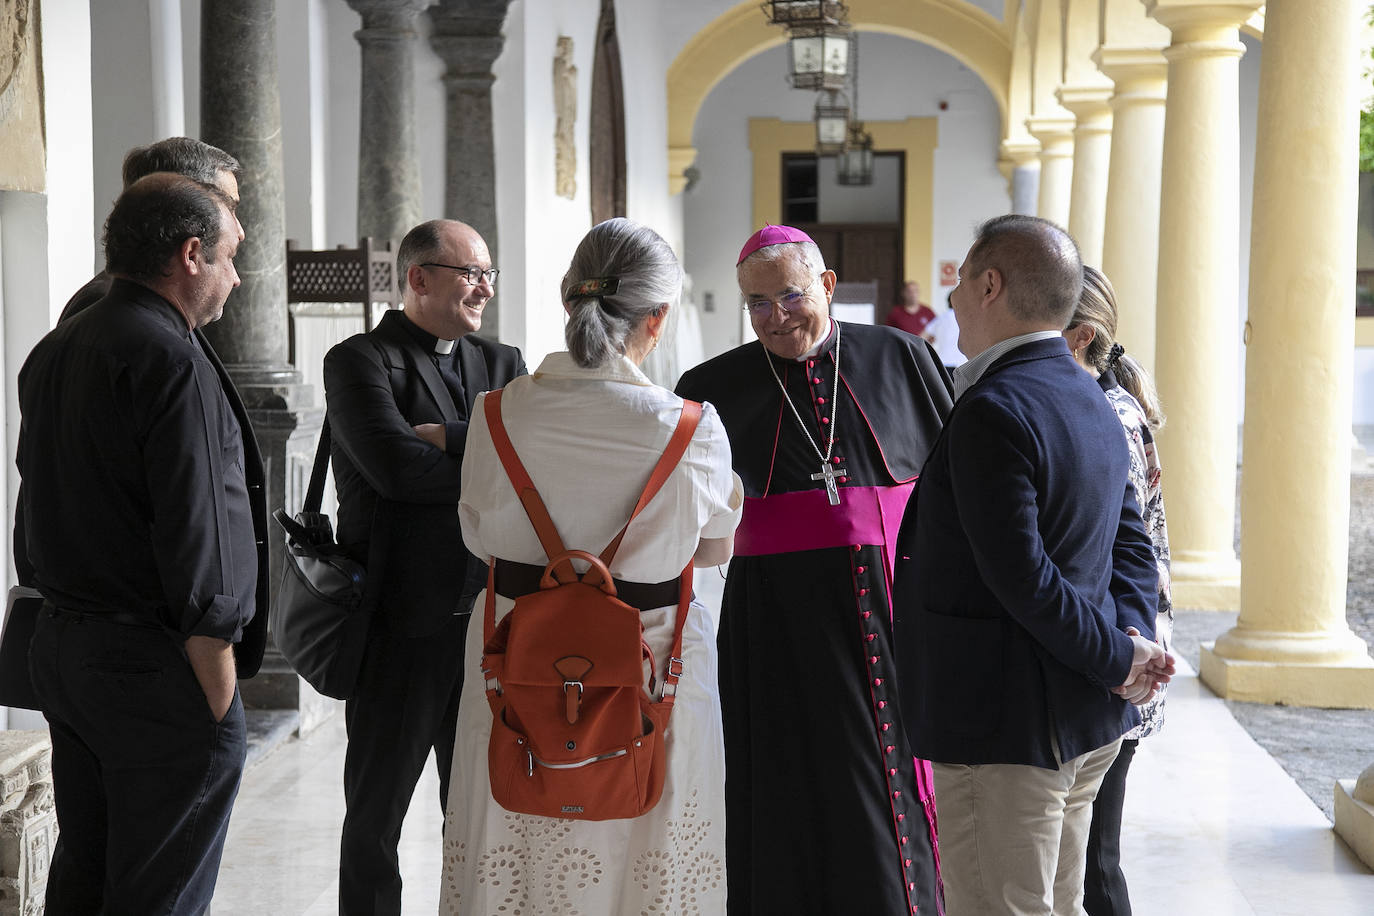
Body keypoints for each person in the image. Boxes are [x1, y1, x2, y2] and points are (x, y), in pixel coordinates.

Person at [440, 217, 743, 913]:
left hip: (515, 661)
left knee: (513, 836)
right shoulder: (693, 428)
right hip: (650, 670)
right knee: (652, 849)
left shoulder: (492, 416)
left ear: (566, 300)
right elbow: (716, 550)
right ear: (658, 319)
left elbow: (479, 537)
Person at [892, 214, 1173, 916]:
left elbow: (1022, 578)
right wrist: (1135, 646)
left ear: (992, 286)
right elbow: (1131, 544)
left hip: (1006, 726)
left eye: (960, 279)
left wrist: (1120, 657)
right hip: (1081, 716)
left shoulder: (995, 406)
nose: (950, 297)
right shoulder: (1091, 394)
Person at [675, 224, 953, 915]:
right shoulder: (712, 387)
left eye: (790, 296)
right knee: (781, 779)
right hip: (773, 624)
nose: (775, 317)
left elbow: (956, 482)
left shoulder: (901, 356)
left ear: (827, 287)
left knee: (879, 774)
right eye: (757, 305)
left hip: (885, 614)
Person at [18, 173, 255, 914]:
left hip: (67, 646)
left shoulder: (61, 343)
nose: (237, 277)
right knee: (160, 892)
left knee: (87, 875)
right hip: (154, 669)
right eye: (229, 256)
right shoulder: (172, 359)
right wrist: (217, 683)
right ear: (191, 255)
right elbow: (199, 532)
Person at [324, 218, 526, 915]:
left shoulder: (503, 365)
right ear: (418, 277)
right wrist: (489, 459)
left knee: (478, 809)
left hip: (491, 625)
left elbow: (532, 464)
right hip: (398, 626)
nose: (485, 288)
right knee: (377, 813)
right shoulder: (360, 361)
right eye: (471, 272)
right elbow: (394, 472)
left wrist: (450, 439)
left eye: (488, 273)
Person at [13, 138, 259, 629]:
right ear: (185, 209)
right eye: (227, 205)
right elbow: (128, 496)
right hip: (131, 631)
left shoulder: (141, 312)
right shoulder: (118, 313)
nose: (238, 223)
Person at [1064, 266, 1173, 916]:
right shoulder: (1102, 405)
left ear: (1078, 337)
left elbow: (1123, 548)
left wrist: (1119, 650)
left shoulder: (1109, 415)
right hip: (1113, 649)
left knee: (1096, 859)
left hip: (1120, 654)